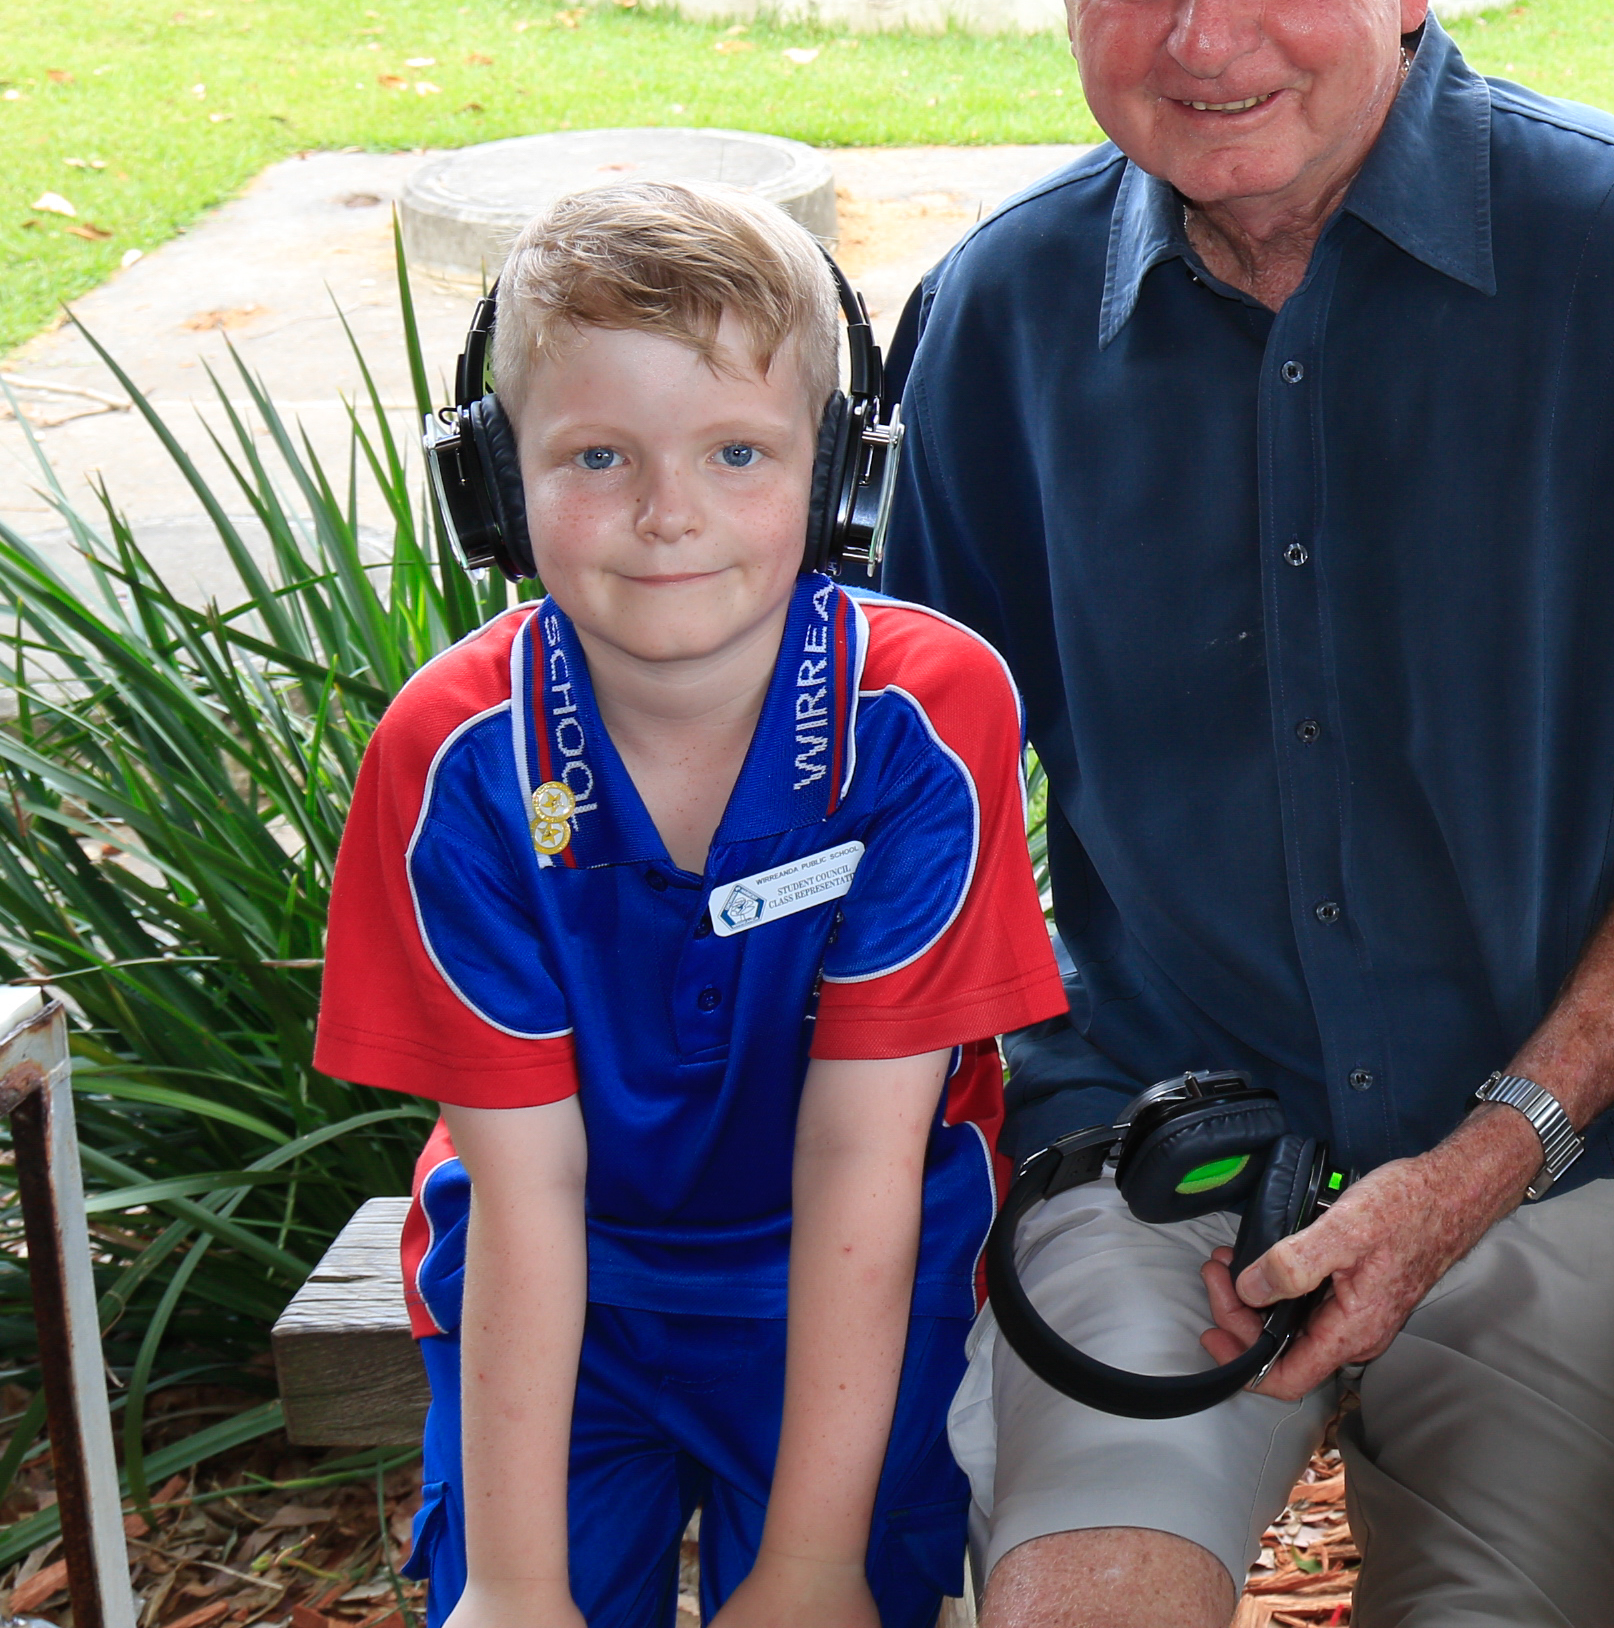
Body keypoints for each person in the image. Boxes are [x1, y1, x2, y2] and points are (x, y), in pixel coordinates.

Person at [878, 0, 1614, 1628]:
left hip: (1592, 1153)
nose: (1209, 32)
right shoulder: (1002, 324)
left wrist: (1488, 1151)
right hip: (1156, 1142)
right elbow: (922, 820)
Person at [316, 178, 1068, 1628]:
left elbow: (865, 1162)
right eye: (596, 456)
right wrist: (518, 1589)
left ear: (845, 474)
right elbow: (527, 1189)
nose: (670, 516)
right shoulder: (455, 755)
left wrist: (809, 1565)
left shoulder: (923, 716)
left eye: (740, 451)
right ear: (493, 484)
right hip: (558, 1301)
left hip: (852, 1286)